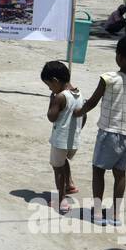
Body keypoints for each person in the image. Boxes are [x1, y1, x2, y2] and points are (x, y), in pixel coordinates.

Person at [77, 36, 126, 224]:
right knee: (120, 174)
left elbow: (92, 102)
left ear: (121, 58)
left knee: (98, 170)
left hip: (108, 132)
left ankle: (98, 212)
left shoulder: (108, 78)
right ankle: (116, 214)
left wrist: (78, 112)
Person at [42, 60, 83, 214]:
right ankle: (69, 184)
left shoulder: (60, 97)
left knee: (57, 167)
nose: (50, 88)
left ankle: (61, 200)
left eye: (49, 85)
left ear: (55, 81)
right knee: (63, 161)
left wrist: (51, 100)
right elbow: (82, 117)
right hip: (73, 140)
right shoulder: (79, 94)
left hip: (60, 140)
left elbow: (51, 117)